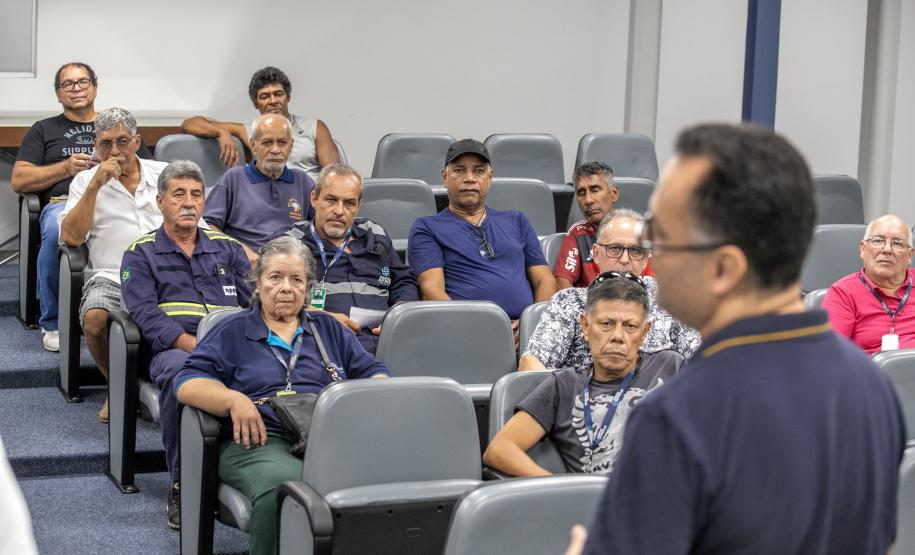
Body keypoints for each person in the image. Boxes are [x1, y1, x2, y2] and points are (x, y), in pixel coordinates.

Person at [571, 123, 905, 554]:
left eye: (663, 236)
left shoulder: (677, 416)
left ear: (724, 267)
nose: (650, 251)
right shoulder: (873, 385)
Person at [175, 236, 390, 555]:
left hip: (326, 437)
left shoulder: (328, 329)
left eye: (296, 279)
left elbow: (373, 372)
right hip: (258, 440)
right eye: (275, 277)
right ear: (257, 282)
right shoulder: (232, 331)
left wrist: (376, 393)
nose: (286, 287)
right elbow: (186, 382)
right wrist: (234, 400)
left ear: (308, 288)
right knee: (288, 486)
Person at [119, 160, 253, 529]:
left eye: (196, 194)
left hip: (233, 345)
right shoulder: (140, 253)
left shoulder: (228, 249)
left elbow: (254, 302)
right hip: (175, 351)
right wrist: (194, 343)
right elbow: (145, 316)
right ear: (160, 201)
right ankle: (183, 483)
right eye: (179, 194)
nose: (189, 203)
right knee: (182, 375)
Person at [11, 62, 151, 352]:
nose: (76, 88)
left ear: (95, 88)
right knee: (55, 230)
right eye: (67, 84)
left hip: (119, 198)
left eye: (83, 82)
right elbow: (19, 179)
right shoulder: (44, 130)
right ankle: (53, 322)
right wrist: (65, 168)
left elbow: (147, 167)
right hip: (63, 202)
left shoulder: (117, 126)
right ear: (58, 94)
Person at [483, 274, 683, 477]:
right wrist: (563, 489)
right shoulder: (563, 385)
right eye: (606, 324)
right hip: (595, 502)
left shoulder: (669, 365)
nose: (617, 336)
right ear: (586, 327)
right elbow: (499, 449)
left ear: (644, 331)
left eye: (630, 326)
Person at [59, 107, 167, 423]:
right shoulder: (83, 181)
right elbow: (71, 238)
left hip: (166, 272)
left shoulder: (164, 174)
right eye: (106, 144)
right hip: (112, 275)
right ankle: (119, 385)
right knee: (93, 320)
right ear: (96, 145)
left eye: (122, 141)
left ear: (137, 141)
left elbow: (197, 222)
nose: (115, 151)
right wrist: (95, 186)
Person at [519, 209, 699, 371]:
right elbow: (531, 365)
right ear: (596, 253)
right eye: (615, 249)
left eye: (636, 251)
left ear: (646, 259)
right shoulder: (570, 302)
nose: (625, 259)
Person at [272, 164, 418, 354]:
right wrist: (323, 318)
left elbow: (403, 280)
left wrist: (397, 318)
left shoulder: (374, 232)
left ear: (358, 206)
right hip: (321, 344)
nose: (339, 211)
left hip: (385, 344)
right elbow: (268, 297)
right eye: (331, 200)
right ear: (314, 199)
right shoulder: (290, 241)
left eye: (349, 203)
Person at [409, 138, 556, 327]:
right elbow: (432, 289)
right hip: (466, 329)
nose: (469, 178)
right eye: (459, 170)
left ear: (490, 177)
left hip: (526, 330)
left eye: (478, 171)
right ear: (445, 177)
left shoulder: (517, 220)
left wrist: (534, 325)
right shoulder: (427, 227)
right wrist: (474, 330)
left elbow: (544, 279)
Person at [180, 66, 339, 180]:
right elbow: (190, 123)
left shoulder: (314, 127)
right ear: (256, 104)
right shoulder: (249, 131)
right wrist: (221, 132)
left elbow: (333, 174)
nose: (272, 101)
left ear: (288, 98)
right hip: (272, 201)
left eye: (278, 94)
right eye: (264, 96)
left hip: (312, 202)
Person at [203, 114, 316, 266]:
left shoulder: (303, 181)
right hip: (245, 267)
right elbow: (207, 225)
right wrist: (241, 252)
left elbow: (321, 228)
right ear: (253, 145)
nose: (275, 150)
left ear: (291, 146)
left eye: (282, 142)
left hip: (293, 268)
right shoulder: (234, 178)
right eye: (267, 142)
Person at [822, 214, 915, 354]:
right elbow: (827, 354)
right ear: (863, 249)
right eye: (878, 240)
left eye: (897, 243)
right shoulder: (843, 293)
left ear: (909, 255)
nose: (887, 249)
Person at [554, 162, 619, 289]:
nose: (588, 200)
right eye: (582, 193)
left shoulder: (635, 231)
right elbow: (562, 283)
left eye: (595, 190)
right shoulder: (577, 233)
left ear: (614, 193)